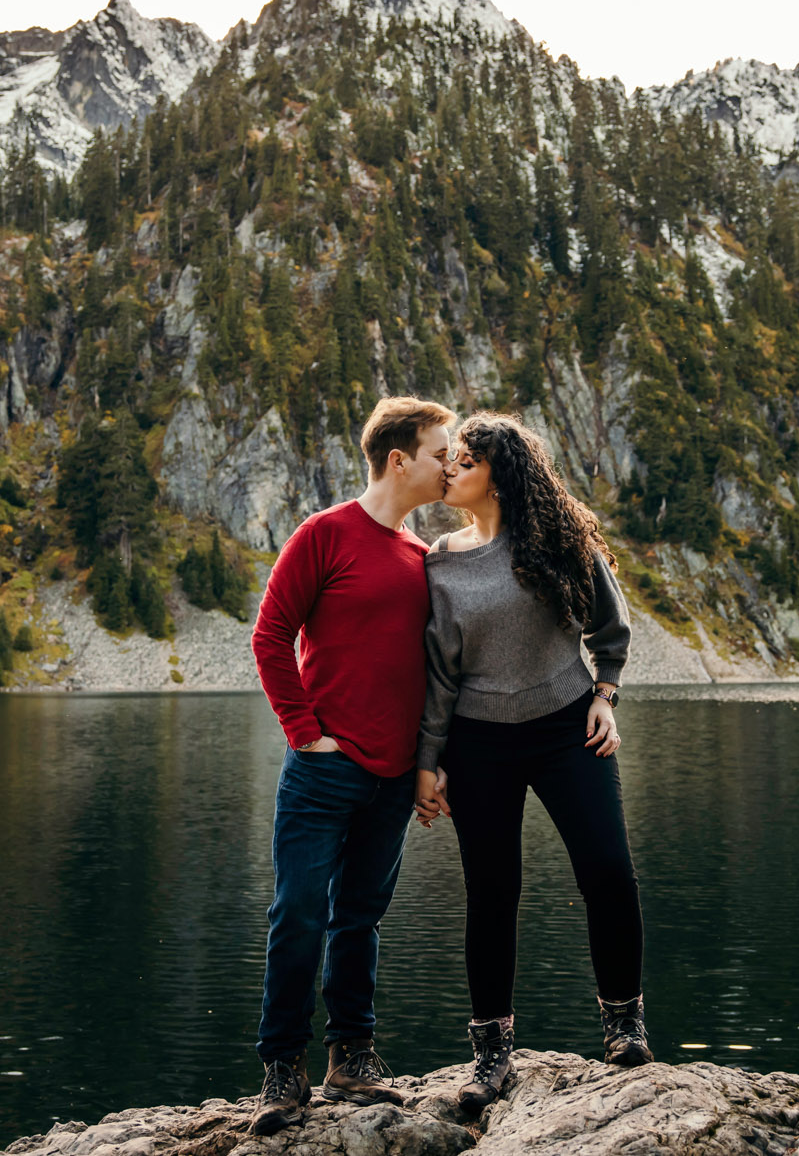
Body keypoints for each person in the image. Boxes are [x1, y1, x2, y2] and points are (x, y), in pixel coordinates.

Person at [414, 411, 647, 1116]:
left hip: (565, 725)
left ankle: (624, 1023)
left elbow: (613, 623)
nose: (449, 470)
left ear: (499, 474)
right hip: (478, 741)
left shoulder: (557, 535)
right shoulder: (440, 562)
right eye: (447, 459)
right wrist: (428, 762)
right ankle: (490, 1054)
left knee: (607, 870)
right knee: (492, 893)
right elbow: (439, 677)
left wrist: (606, 693)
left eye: (464, 461)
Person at [248, 395, 456, 1136]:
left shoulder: (424, 558)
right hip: (325, 769)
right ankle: (281, 1070)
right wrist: (305, 733)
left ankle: (352, 1058)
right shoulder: (324, 535)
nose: (450, 466)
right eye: (440, 453)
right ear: (398, 458)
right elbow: (270, 637)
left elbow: (438, 675)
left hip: (397, 776)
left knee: (361, 916)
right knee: (298, 912)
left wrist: (434, 767)